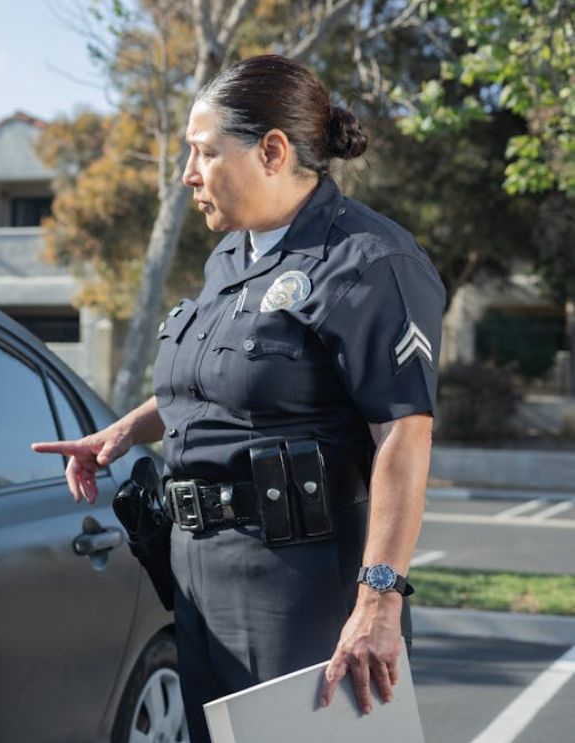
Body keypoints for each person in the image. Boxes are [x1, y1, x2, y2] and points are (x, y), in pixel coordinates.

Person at [33, 54, 444, 741]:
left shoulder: (372, 261)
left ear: (272, 151)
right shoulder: (232, 256)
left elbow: (403, 432)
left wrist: (377, 601)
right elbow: (220, 383)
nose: (188, 173)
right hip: (197, 572)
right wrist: (125, 431)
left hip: (300, 583)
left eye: (202, 153)